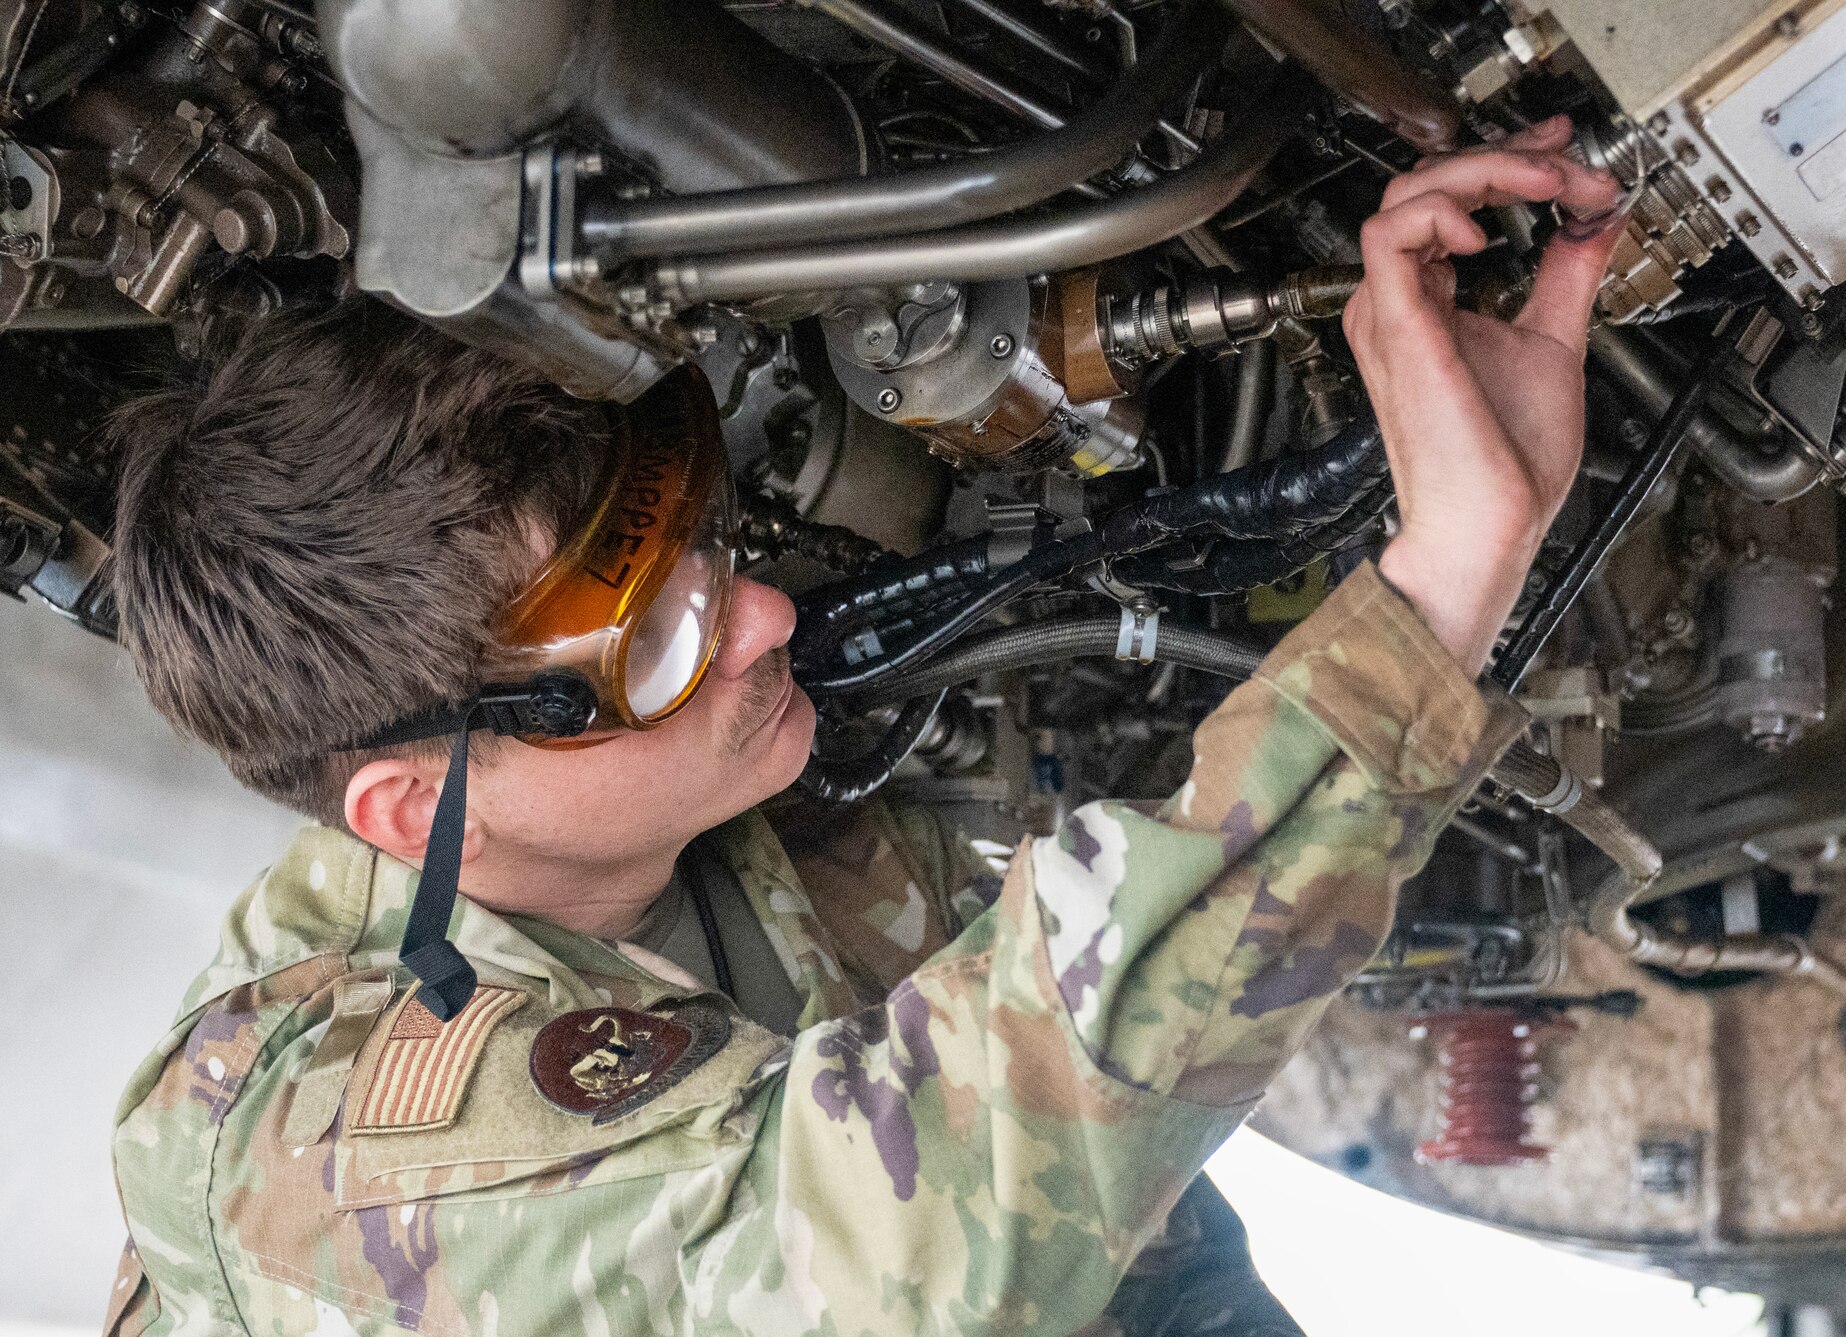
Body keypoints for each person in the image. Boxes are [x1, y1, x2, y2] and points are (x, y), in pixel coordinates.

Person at [100, 120, 1620, 1337]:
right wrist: (1440, 584)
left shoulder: (740, 844)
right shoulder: (317, 1155)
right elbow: (906, 1239)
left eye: (706, 547)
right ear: (419, 813)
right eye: (669, 641)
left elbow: (1134, 1253)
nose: (759, 617)